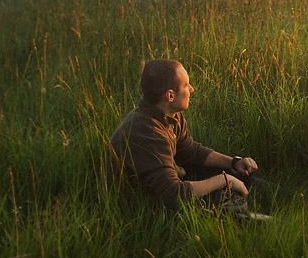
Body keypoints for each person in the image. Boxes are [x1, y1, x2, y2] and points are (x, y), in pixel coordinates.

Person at [108, 59, 269, 217]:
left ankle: (285, 196)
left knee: (236, 172)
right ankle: (264, 221)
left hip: (173, 177)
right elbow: (173, 195)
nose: (191, 89)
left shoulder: (170, 114)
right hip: (151, 200)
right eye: (186, 85)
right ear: (170, 95)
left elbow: (190, 151)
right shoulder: (148, 132)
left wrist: (234, 162)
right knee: (220, 197)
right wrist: (224, 180)